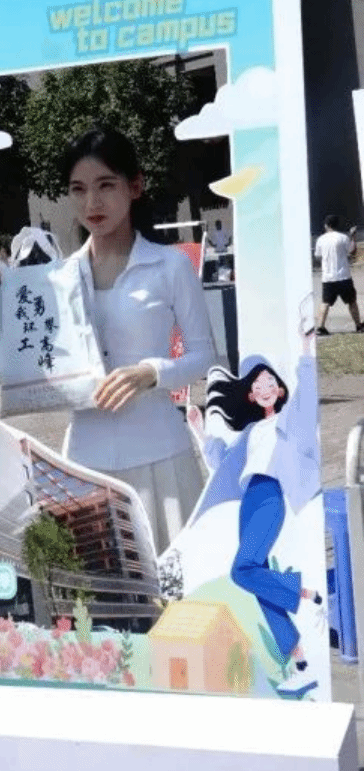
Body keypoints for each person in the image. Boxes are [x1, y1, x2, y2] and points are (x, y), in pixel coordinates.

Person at [60, 127, 216, 554]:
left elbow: (205, 356)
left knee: (171, 583)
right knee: (96, 587)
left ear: (135, 186)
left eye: (105, 185)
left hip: (160, 458)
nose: (92, 203)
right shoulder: (60, 278)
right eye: (78, 189)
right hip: (85, 461)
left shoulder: (170, 266)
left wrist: (151, 372)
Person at [187, 319, 321, 697]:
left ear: (279, 388)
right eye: (257, 385)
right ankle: (300, 663)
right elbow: (220, 465)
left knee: (242, 570)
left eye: (269, 381)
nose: (264, 388)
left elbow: (307, 398)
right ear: (250, 395)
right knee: (259, 585)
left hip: (270, 496)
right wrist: (198, 430)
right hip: (249, 502)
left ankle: (301, 590)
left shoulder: (288, 421)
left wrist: (306, 350)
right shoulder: (250, 433)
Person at [315, 214, 364, 335]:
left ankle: (320, 327)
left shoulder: (320, 239)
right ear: (337, 225)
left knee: (325, 302)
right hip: (343, 276)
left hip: (328, 277)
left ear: (327, 225)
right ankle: (358, 326)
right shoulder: (343, 238)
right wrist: (353, 237)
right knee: (351, 301)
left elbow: (318, 255)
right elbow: (352, 251)